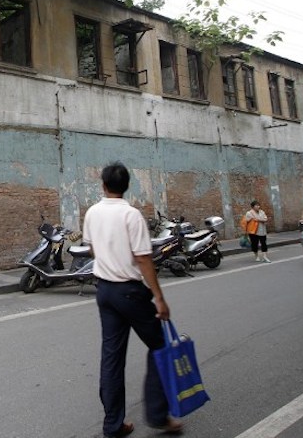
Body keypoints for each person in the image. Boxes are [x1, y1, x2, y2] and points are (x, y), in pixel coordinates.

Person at [83, 162, 183, 437]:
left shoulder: (92, 213)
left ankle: (113, 424)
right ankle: (158, 414)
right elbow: (143, 258)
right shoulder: (131, 215)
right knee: (160, 346)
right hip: (129, 291)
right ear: (127, 186)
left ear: (103, 185)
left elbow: (92, 249)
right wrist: (160, 299)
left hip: (104, 291)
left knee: (112, 358)